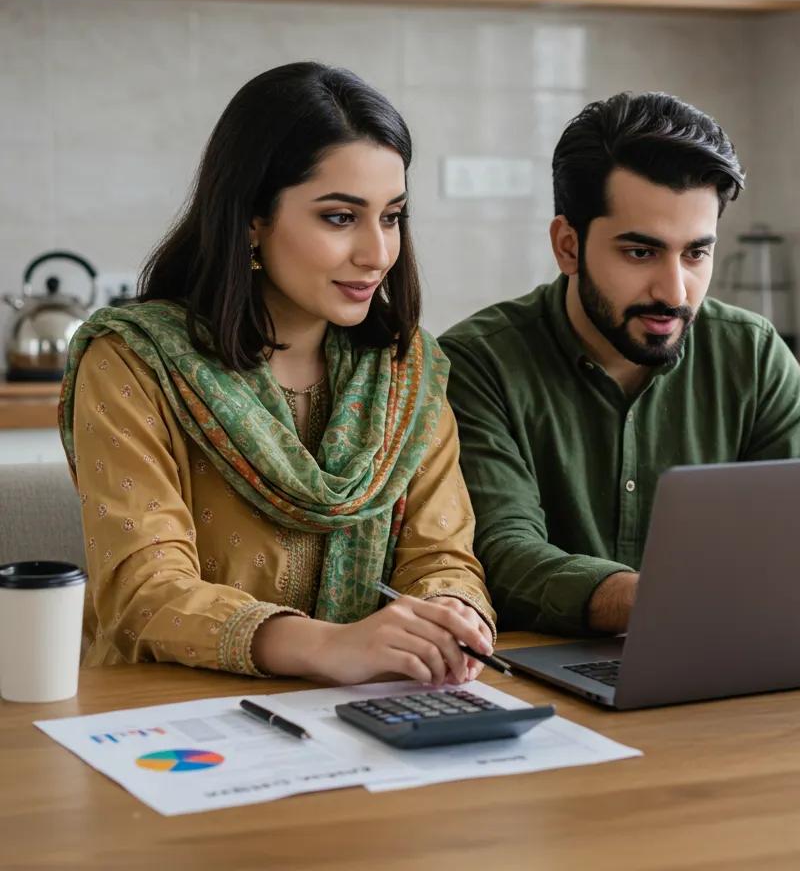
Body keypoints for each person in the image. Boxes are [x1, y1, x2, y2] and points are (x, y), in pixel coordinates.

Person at [61, 62, 495, 685]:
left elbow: (441, 555)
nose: (378, 254)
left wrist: (451, 611)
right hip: (174, 720)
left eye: (392, 216)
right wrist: (331, 647)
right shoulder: (134, 362)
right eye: (340, 217)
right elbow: (144, 592)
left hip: (375, 708)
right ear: (251, 222)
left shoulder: (406, 373)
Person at [440, 92, 800, 636]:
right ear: (568, 246)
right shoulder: (478, 363)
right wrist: (652, 598)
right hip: (542, 675)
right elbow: (502, 554)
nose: (674, 291)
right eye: (641, 253)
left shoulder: (753, 352)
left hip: (731, 653)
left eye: (696, 253)